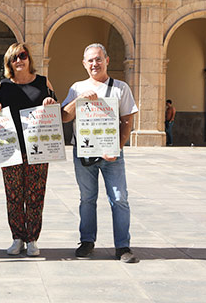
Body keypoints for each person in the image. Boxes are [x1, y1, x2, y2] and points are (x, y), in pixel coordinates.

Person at [61, 43, 139, 263]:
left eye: (98, 59)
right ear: (84, 64)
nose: (94, 64)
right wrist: (79, 100)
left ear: (107, 60)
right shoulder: (77, 87)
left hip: (112, 154)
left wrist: (118, 149)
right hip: (83, 153)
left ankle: (123, 246)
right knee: (87, 199)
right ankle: (86, 242)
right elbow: (64, 117)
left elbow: (127, 121)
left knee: (119, 198)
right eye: (90, 60)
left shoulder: (120, 88)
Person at [0, 43, 57, 257]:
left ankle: (33, 239)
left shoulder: (42, 82)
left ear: (29, 59)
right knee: (14, 195)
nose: (19, 60)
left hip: (38, 147)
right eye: (14, 58)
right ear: (9, 63)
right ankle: (17, 237)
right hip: (11, 149)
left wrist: (50, 101)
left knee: (36, 194)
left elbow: (55, 107)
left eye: (22, 56)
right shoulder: (3, 86)